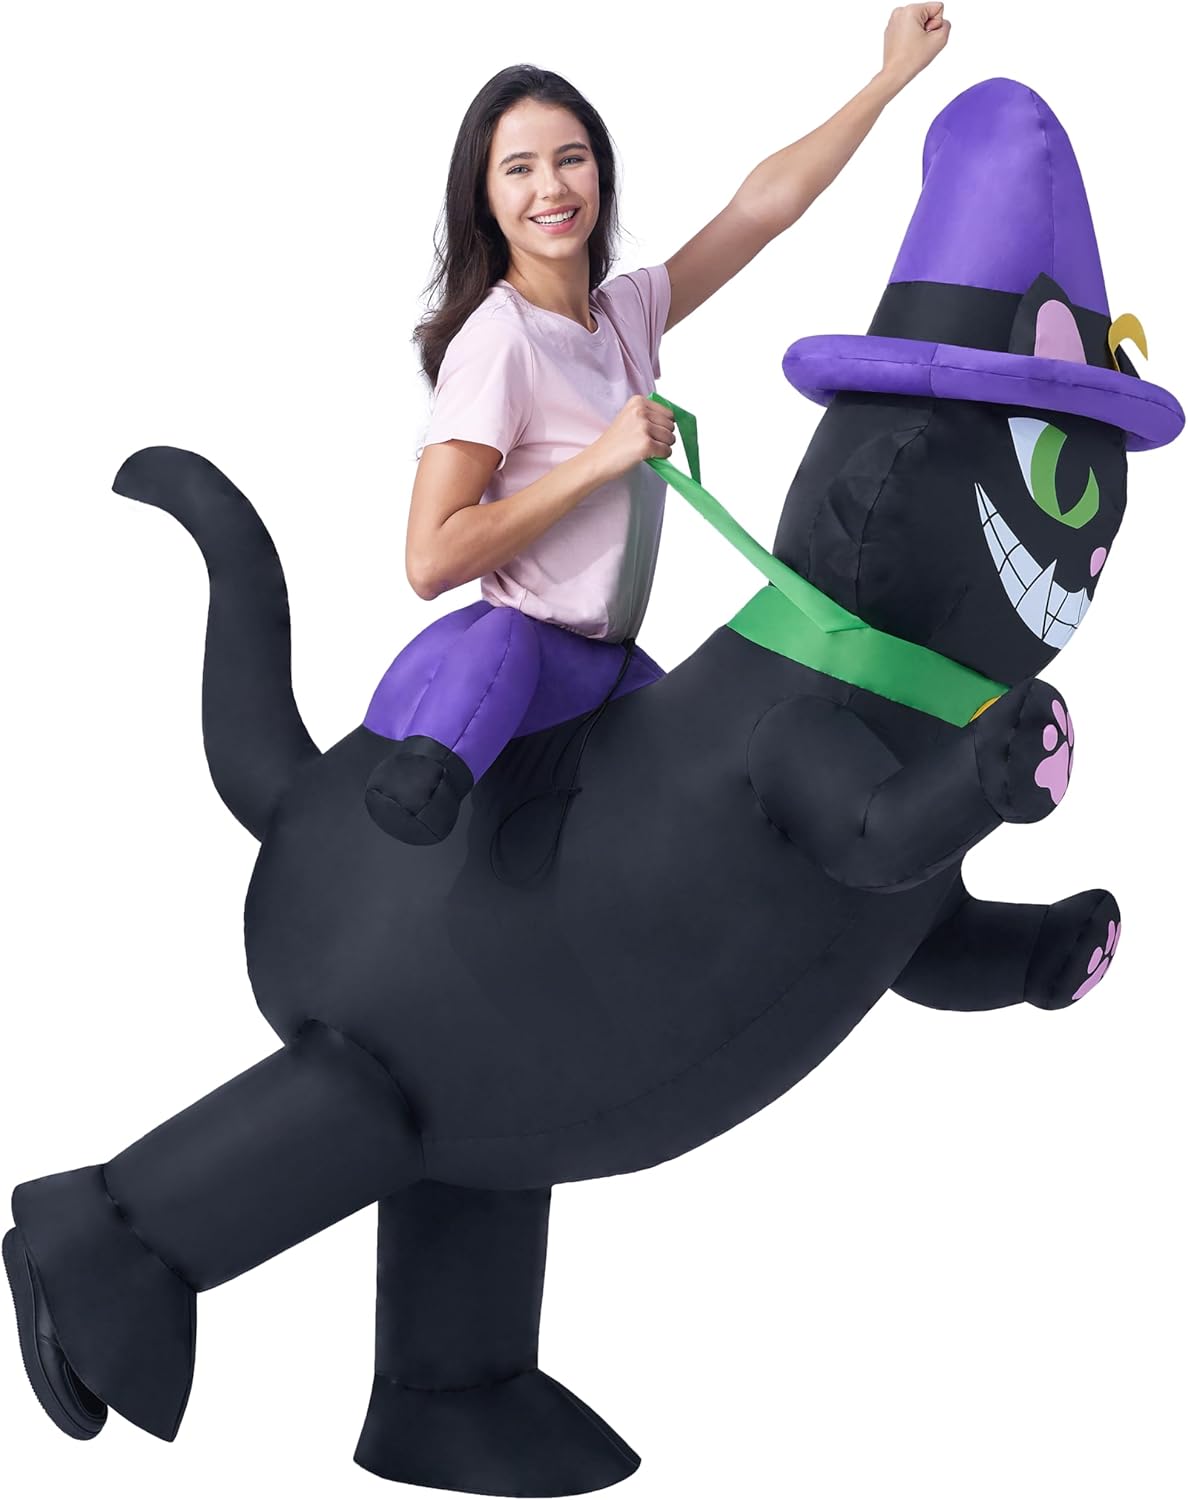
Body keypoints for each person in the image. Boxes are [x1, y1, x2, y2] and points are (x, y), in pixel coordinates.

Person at [364, 4, 952, 846]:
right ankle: (424, 784)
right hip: (526, 654)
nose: (551, 188)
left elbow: (760, 210)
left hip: (609, 663)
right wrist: (600, 459)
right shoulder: (498, 342)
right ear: (486, 199)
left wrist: (890, 78)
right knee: (504, 647)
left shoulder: (624, 315)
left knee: (704, 776)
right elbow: (429, 561)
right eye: (519, 169)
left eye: (571, 159)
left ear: (600, 175)